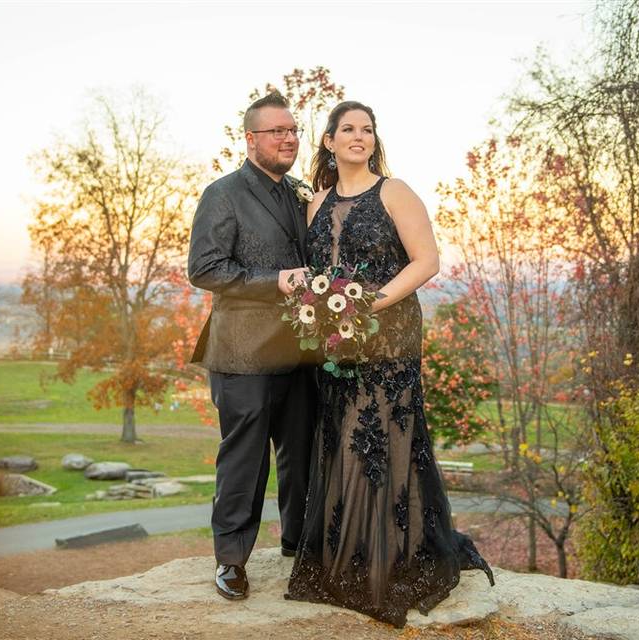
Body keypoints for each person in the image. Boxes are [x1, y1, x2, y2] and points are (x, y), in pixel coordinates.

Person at [284, 101, 494, 627]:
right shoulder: (316, 204)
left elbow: (427, 260)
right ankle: (345, 562)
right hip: (338, 342)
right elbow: (318, 274)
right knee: (339, 438)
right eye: (348, 129)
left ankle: (391, 564)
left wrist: (371, 302)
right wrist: (318, 311)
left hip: (391, 335)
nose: (359, 137)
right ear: (329, 141)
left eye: (367, 130)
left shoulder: (395, 192)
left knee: (380, 440)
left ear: (375, 140)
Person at [186, 92, 315, 601]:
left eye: (292, 131)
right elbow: (205, 269)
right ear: (251, 139)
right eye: (276, 132)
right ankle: (231, 561)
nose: (288, 139)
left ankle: (298, 544)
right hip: (242, 352)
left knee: (302, 453)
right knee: (245, 460)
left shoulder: (301, 195)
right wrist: (275, 281)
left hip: (301, 350)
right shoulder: (223, 194)